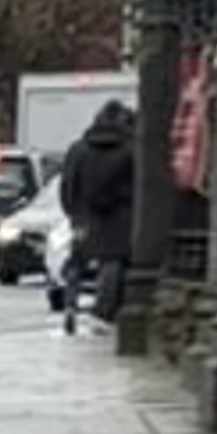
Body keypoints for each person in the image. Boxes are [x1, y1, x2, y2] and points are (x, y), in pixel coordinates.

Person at [56, 90, 136, 326]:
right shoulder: (130, 149)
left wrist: (73, 213)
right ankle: (103, 310)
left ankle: (70, 303)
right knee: (112, 262)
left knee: (76, 260)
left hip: (85, 216)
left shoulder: (79, 149)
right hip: (120, 217)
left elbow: (68, 184)